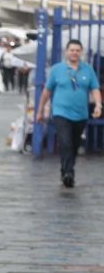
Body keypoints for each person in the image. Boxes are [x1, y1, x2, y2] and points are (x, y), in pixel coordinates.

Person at [37, 39, 102, 188]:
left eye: (77, 50)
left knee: (74, 144)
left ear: (81, 53)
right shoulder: (56, 69)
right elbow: (47, 91)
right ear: (66, 52)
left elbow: (95, 89)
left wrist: (98, 105)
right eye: (72, 50)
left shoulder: (88, 69)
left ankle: (65, 168)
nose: (74, 53)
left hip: (81, 114)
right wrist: (40, 110)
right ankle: (68, 173)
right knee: (65, 142)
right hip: (61, 112)